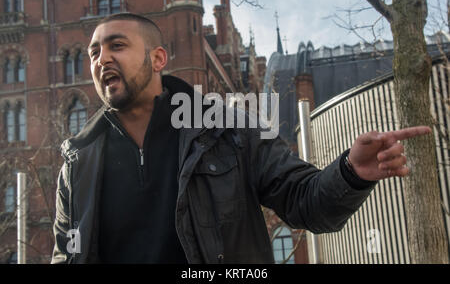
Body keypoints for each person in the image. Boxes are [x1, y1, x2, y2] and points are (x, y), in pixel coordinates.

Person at [51, 13, 432, 264]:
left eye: (117, 46)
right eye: (94, 52)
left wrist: (350, 172)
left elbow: (307, 203)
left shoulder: (229, 130)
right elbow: (66, 253)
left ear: (158, 59)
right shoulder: (77, 162)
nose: (101, 59)